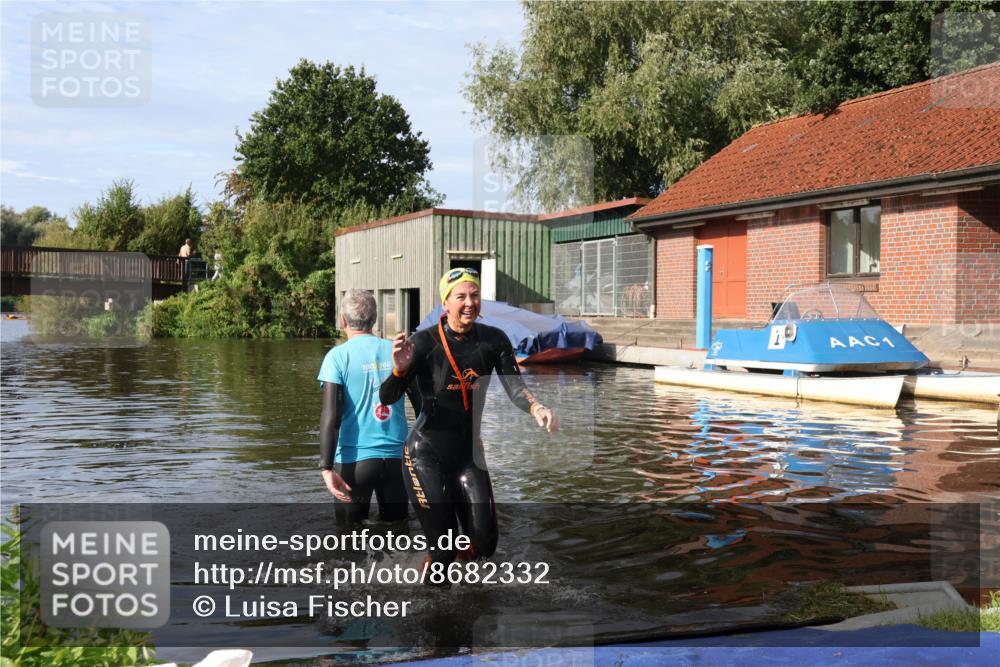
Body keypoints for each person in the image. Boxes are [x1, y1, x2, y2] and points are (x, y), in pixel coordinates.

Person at [380, 268, 559, 567]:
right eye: (460, 296)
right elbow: (387, 397)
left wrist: (537, 408)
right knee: (444, 547)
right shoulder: (424, 343)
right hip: (425, 454)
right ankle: (434, 598)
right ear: (445, 303)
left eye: (474, 295)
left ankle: (462, 594)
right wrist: (399, 370)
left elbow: (516, 389)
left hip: (468, 457)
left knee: (485, 545)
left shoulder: (494, 341)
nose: (469, 303)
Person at [318, 289, 416, 524]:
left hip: (355, 462)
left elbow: (331, 417)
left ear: (343, 320)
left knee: (347, 540)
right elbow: (422, 407)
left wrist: (326, 468)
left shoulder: (337, 357)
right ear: (375, 319)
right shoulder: (399, 352)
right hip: (397, 460)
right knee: (398, 534)